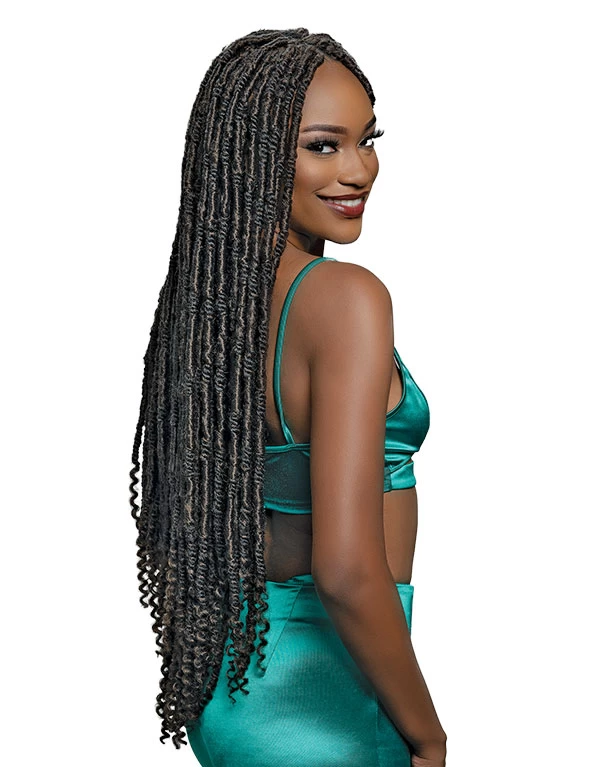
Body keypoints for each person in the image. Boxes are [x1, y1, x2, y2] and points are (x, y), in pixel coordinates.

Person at [129, 27, 447, 767]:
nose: (359, 170)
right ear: (252, 154)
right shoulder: (346, 300)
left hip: (235, 680)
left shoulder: (211, 305)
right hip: (329, 698)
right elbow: (346, 569)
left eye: (368, 140)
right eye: (323, 146)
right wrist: (427, 735)